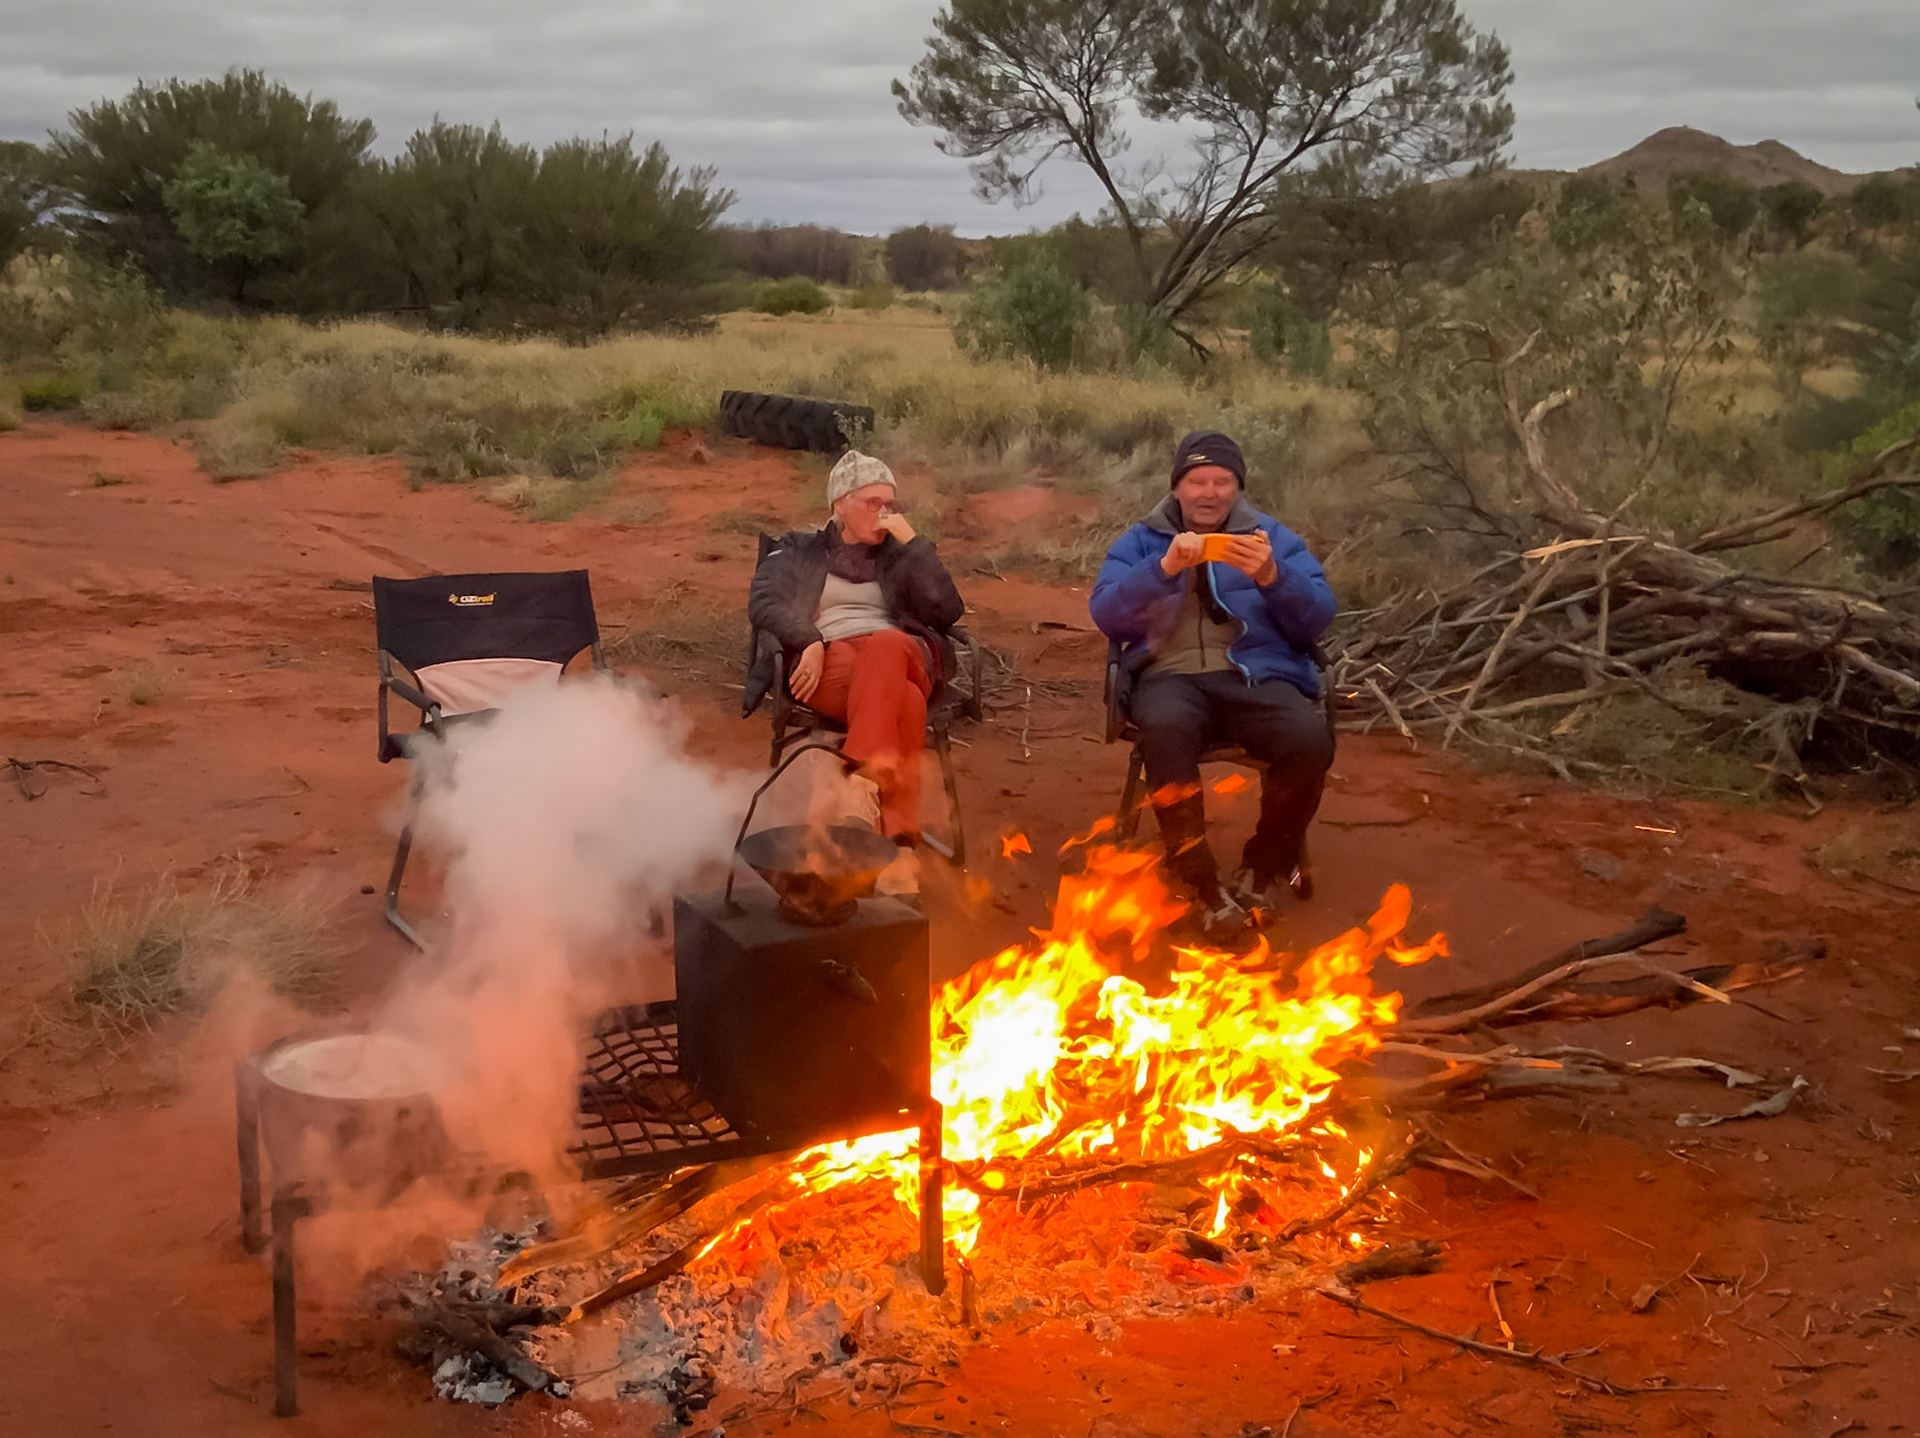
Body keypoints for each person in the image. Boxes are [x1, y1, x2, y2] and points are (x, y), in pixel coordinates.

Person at [1089, 430, 1337, 930]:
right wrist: (1161, 569)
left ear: (1237, 487)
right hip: (1169, 677)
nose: (1210, 492)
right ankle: (1196, 874)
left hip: (1255, 675)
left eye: (1222, 481)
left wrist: (1273, 576)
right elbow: (1107, 614)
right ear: (1176, 488)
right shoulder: (1141, 540)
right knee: (1165, 732)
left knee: (1309, 739)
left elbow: (1317, 619)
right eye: (1197, 480)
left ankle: (1264, 865)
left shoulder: (1273, 539)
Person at [747, 451, 965, 846]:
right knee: (907, 703)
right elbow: (764, 601)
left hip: (905, 652)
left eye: (889, 504)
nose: (883, 514)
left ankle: (860, 783)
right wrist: (809, 639)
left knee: (886, 644)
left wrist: (915, 545)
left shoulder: (902, 555)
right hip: (833, 658)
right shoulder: (799, 549)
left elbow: (948, 611)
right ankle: (897, 846)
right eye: (872, 503)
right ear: (839, 505)